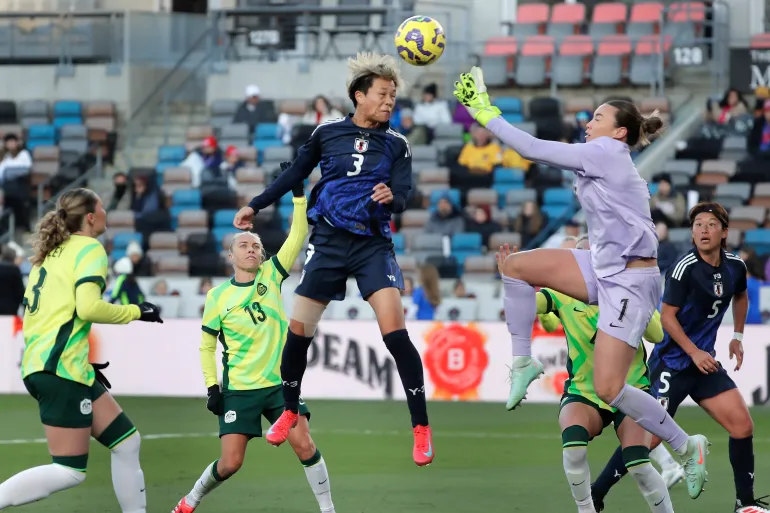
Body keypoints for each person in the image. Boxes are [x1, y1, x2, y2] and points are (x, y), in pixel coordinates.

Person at [453, 66, 709, 498]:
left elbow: (531, 148)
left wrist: (483, 110)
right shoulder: (604, 154)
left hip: (629, 279)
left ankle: (687, 446)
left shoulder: (607, 152)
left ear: (620, 133)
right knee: (515, 267)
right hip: (605, 266)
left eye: (598, 118)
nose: (589, 124)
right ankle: (523, 363)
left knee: (611, 388)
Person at [232, 53, 433, 466]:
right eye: (382, 93)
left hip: (372, 245)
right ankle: (290, 409)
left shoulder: (398, 144)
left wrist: (392, 198)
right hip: (327, 243)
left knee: (395, 333)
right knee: (298, 332)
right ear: (359, 95)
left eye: (393, 95)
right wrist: (257, 205)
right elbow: (294, 175)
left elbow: (404, 194)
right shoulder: (327, 132)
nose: (389, 101)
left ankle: (421, 426)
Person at [172, 169, 336, 513]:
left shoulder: (272, 275)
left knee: (304, 446)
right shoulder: (217, 297)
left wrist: (297, 194)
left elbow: (298, 234)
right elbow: (206, 346)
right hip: (239, 389)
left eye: (256, 246)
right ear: (231, 256)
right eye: (244, 245)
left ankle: (328, 509)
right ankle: (190, 501)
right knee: (230, 463)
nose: (251, 249)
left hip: (279, 385)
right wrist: (212, 387)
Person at [591, 203, 769, 513]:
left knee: (742, 425)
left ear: (724, 232)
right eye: (697, 224)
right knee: (646, 442)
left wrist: (737, 337)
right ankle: (596, 493)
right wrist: (694, 352)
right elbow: (668, 318)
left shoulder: (735, 267)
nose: (702, 229)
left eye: (710, 224)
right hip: (672, 364)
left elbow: (741, 295)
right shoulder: (684, 267)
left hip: (703, 365)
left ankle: (745, 505)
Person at [0, 188, 163, 512]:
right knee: (69, 471)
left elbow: (46, 317)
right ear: (90, 216)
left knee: (127, 443)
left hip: (54, 365)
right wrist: (136, 312)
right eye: (101, 206)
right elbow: (88, 308)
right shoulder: (89, 248)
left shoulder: (51, 254)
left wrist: (78, 361)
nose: (105, 211)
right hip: (60, 368)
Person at [500, 238, 673, 513]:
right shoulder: (561, 294)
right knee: (573, 446)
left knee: (638, 465)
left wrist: (636, 307)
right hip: (584, 391)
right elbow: (528, 307)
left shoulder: (626, 292)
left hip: (630, 390)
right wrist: (512, 281)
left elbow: (658, 334)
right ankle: (586, 510)